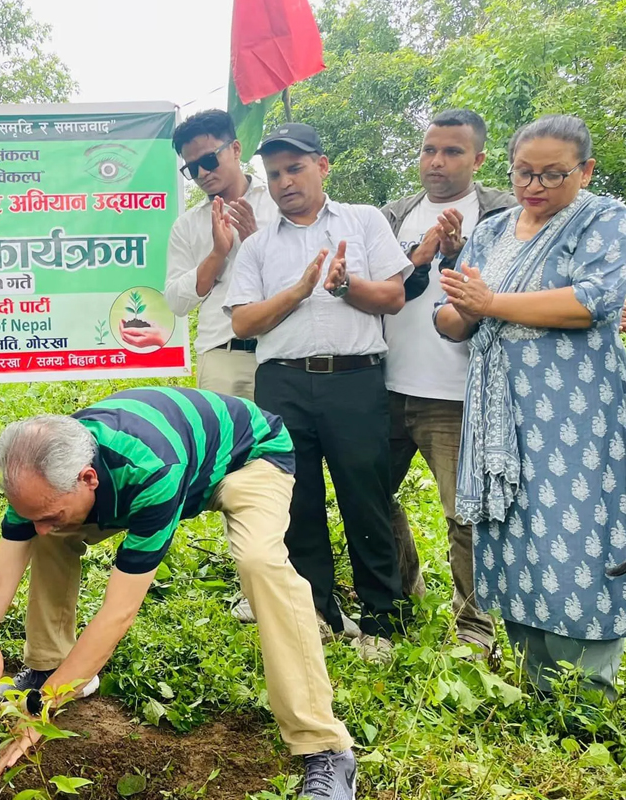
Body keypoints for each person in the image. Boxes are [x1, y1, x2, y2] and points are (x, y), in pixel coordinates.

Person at [0, 388, 358, 800]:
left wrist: (41, 713)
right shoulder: (39, 483)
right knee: (52, 538)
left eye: (49, 511)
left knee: (260, 561)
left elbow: (118, 613)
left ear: (88, 478)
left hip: (247, 457)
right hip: (154, 466)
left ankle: (325, 745)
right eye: (31, 513)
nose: (39, 526)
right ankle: (53, 667)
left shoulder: (150, 473)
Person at [434, 115, 626, 699]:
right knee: (512, 530)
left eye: (552, 174)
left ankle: (588, 689)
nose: (534, 185)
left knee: (578, 534)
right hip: (499, 411)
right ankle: (533, 676)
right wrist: (468, 308)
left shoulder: (603, 219)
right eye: (524, 173)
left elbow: (592, 301)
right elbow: (448, 320)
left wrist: (491, 302)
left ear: (586, 171)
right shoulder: (490, 232)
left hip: (575, 411)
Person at [224, 123, 413, 661]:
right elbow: (243, 322)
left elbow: (395, 296)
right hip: (283, 382)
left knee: (365, 498)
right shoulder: (258, 246)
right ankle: (319, 614)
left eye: (296, 168)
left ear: (323, 166)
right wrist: (301, 290)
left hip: (354, 379)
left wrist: (345, 286)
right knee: (297, 500)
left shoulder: (364, 220)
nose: (285, 182)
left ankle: (382, 621)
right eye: (275, 173)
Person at [380, 109, 515, 658]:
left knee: (464, 513)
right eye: (429, 150)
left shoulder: (502, 214)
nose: (437, 162)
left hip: (458, 393)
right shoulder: (394, 215)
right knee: (372, 496)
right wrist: (422, 257)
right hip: (385, 384)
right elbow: (383, 286)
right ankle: (402, 595)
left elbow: (504, 291)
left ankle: (474, 626)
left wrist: (460, 254)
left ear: (479, 159)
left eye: (453, 152)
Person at [164, 109, 279, 399]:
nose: (202, 173)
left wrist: (254, 241)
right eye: (192, 168)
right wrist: (217, 255)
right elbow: (176, 302)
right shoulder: (187, 225)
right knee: (226, 444)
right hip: (222, 356)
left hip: (282, 350)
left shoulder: (276, 205)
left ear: (236, 149)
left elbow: (304, 277)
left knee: (283, 444)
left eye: (208, 160)